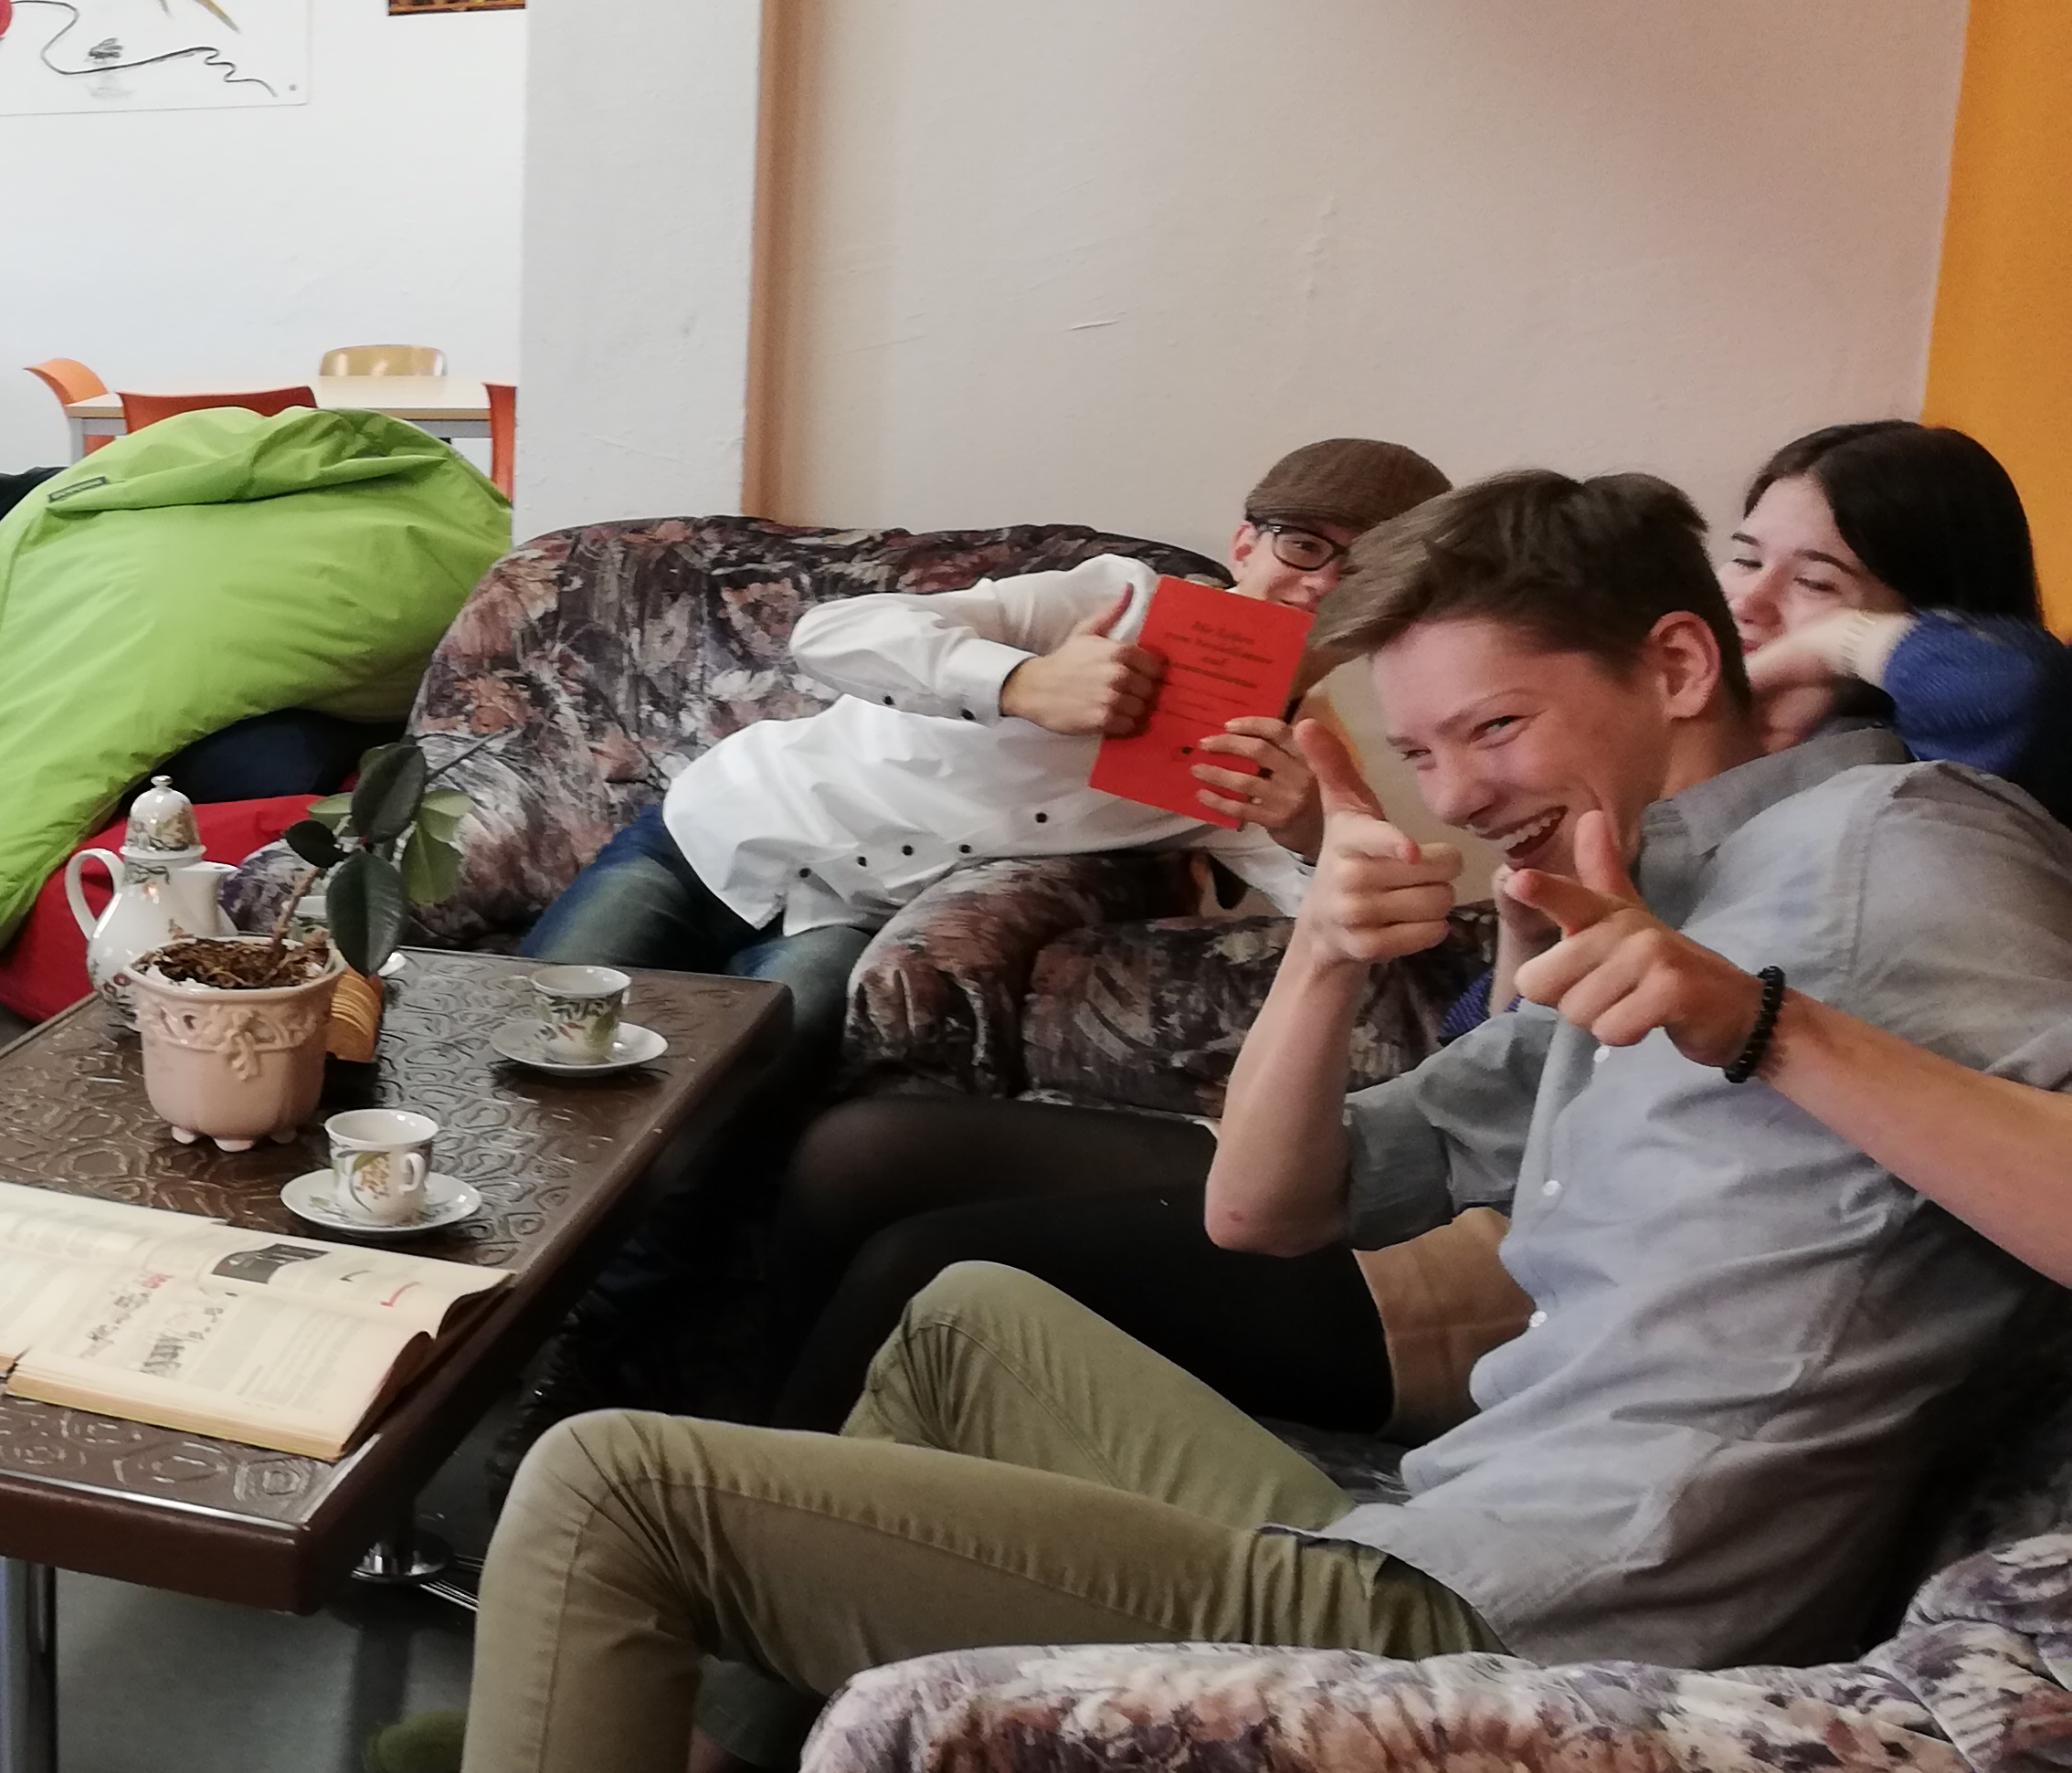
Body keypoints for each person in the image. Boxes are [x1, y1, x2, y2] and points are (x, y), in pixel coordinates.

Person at [100, 468, 2072, 1773]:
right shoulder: (1639, 896)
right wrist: (1326, 952)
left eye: (1496, 726)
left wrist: (1766, 1027)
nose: (1465, 786)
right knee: (962, 1313)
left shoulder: (1892, 847)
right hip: (1441, 1531)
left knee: (609, 1489)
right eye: (1429, 746)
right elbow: (1266, 1208)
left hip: (1526, 1655)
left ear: (1673, 664)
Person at [756, 417, 2071, 1441]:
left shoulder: (1898, 809)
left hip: (1496, 1255)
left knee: (929, 1259)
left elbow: (2020, 692)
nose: (1760, 605)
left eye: (1821, 580)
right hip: (1439, 1156)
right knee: (860, 1155)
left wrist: (1841, 648)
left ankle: (725, 1580)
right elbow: (1474, 1066)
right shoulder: (1650, 802)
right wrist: (1408, 917)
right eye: (1746, 557)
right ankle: (708, 1455)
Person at [518, 437, 1453, 1092]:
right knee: (524, 1041)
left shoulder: (1282, 759)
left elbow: (1350, 928)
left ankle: (608, 1313)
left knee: (715, 1098)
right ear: (1246, 542)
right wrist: (1021, 682)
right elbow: (829, 634)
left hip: (845, 918)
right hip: (722, 831)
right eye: (1304, 545)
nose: (1323, 585)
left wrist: (1312, 830)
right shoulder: (1109, 600)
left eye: (1366, 573)